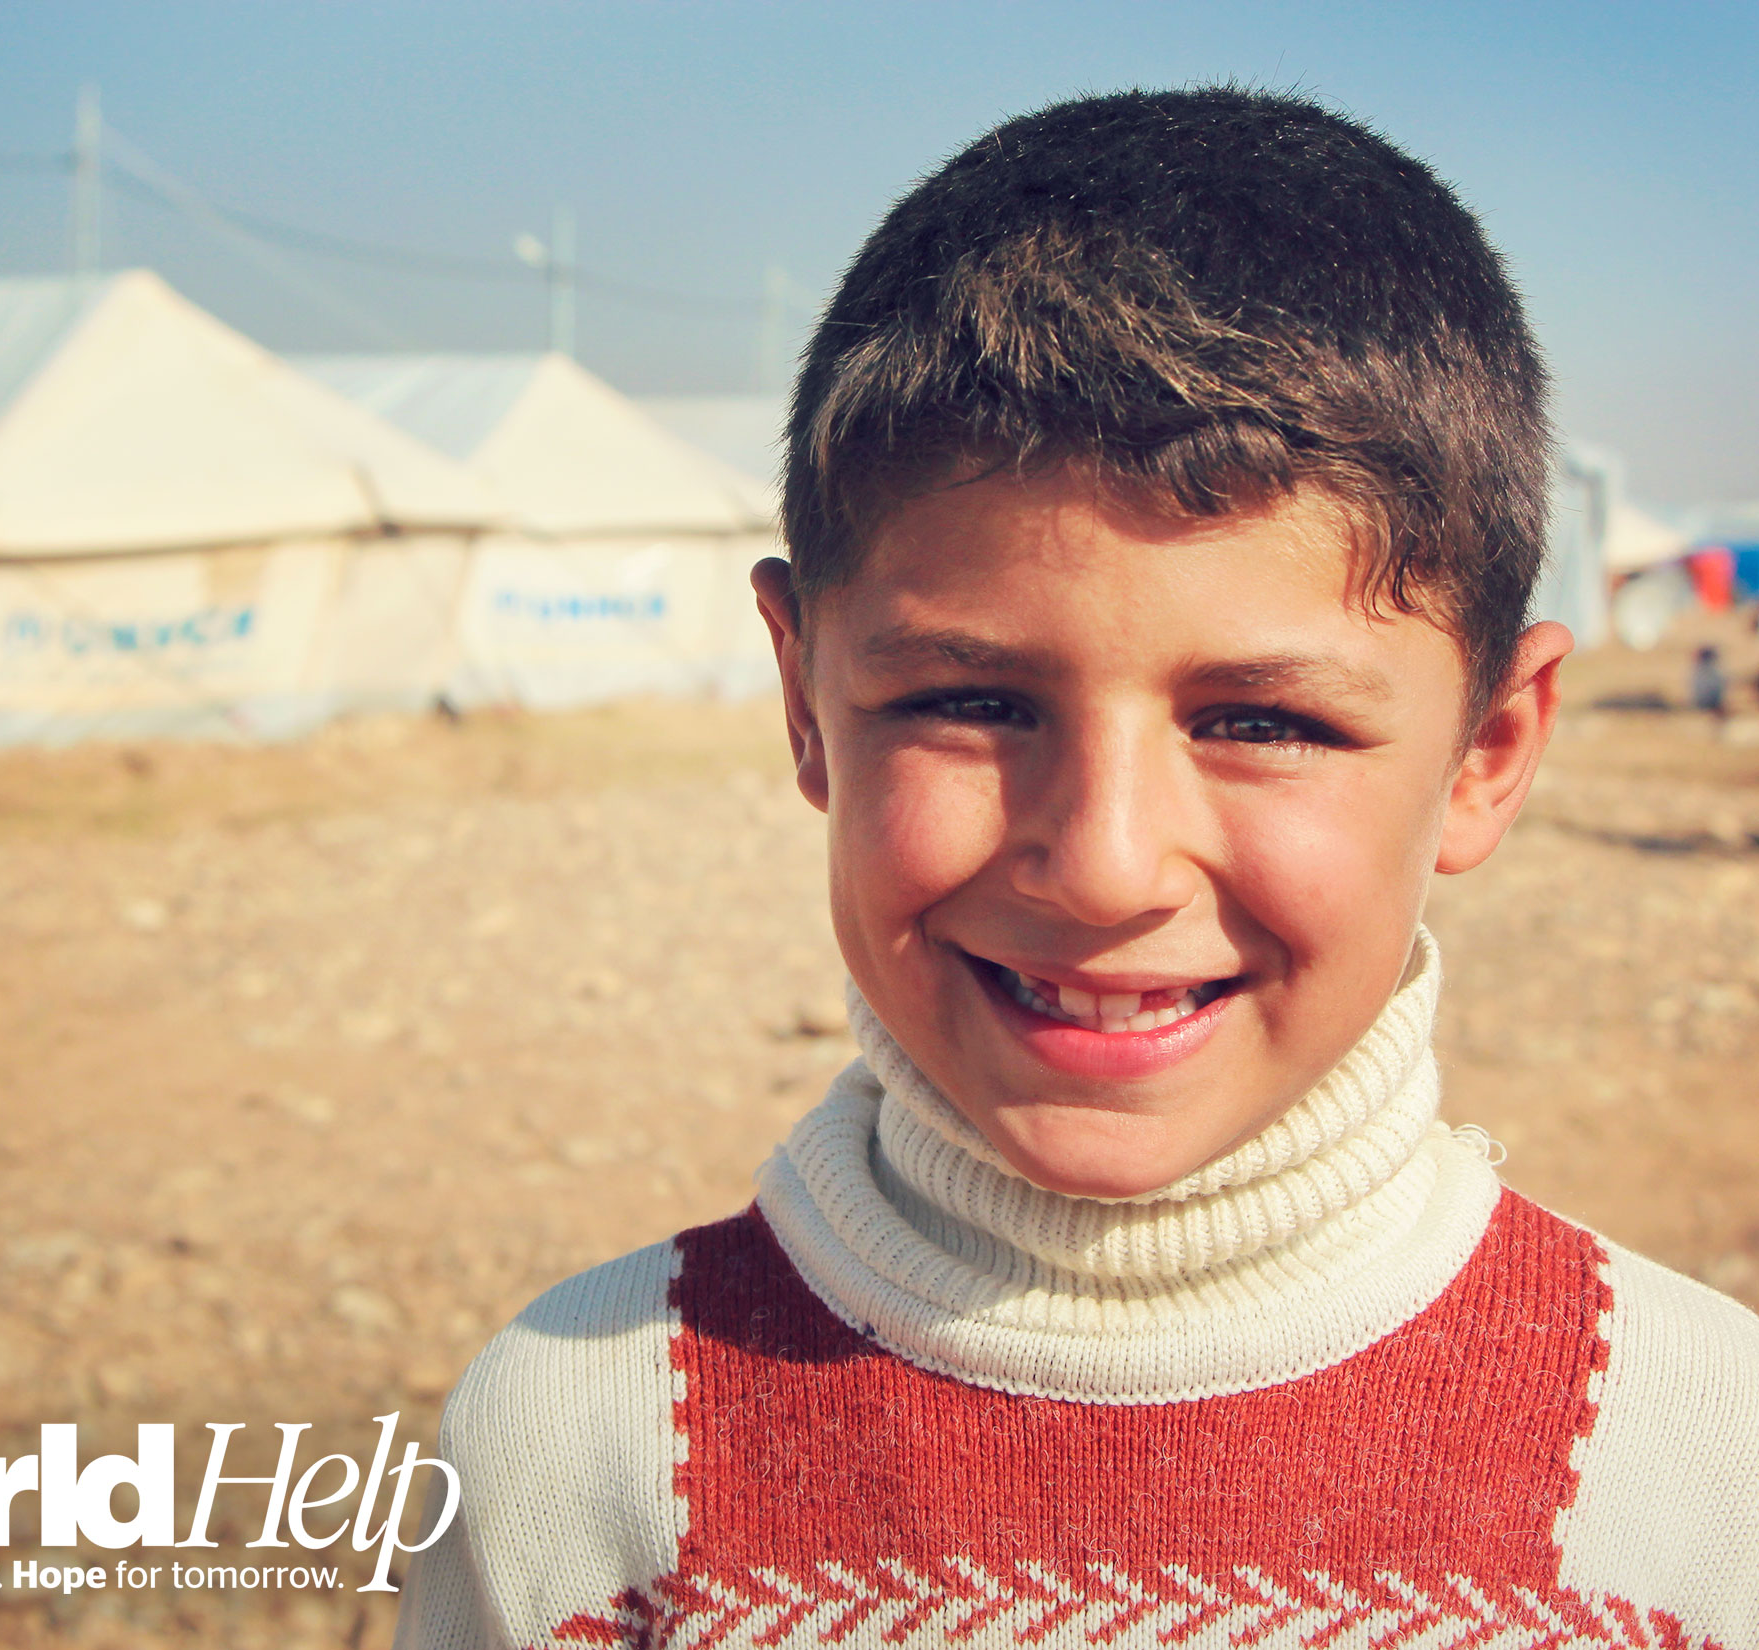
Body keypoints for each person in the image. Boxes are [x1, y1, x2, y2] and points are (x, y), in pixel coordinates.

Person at [393, 89, 1759, 1647]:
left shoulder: (1698, 1480)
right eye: (973, 701)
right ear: (804, 701)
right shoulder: (579, 1454)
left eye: (1262, 721)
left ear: (1489, 751)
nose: (1106, 868)